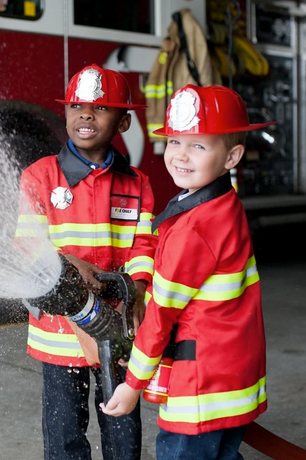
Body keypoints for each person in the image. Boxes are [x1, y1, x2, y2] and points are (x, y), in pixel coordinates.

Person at [101, 84, 273, 460]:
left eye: (198, 146)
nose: (180, 155)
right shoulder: (223, 204)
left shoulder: (194, 228)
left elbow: (162, 314)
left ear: (232, 157)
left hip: (201, 387)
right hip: (231, 375)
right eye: (175, 142)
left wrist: (132, 385)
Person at [15, 63, 156, 460]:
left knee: (122, 429)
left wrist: (139, 292)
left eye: (100, 108)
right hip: (59, 336)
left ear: (124, 122)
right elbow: (27, 242)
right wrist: (67, 262)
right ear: (65, 114)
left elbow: (144, 244)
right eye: (76, 105)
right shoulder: (39, 177)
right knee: (64, 436)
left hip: (117, 332)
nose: (86, 115)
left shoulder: (137, 183)